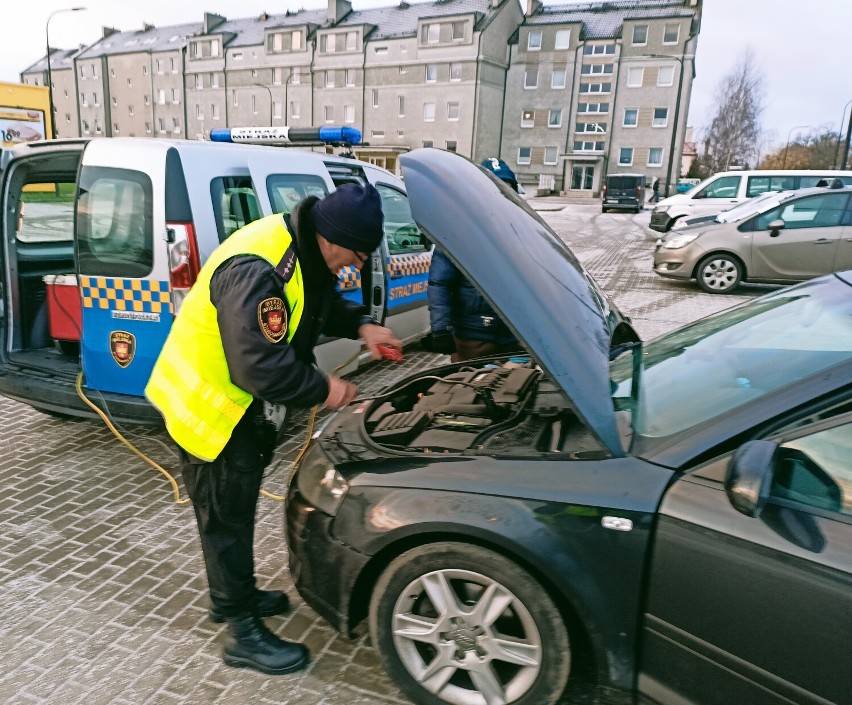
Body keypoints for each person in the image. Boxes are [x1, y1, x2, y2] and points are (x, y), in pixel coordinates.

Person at [145, 183, 401, 676]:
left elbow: (319, 301)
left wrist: (363, 325)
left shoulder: (304, 249)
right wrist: (328, 389)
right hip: (211, 410)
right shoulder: (259, 268)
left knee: (234, 511)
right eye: (355, 254)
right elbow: (258, 367)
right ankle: (239, 630)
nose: (353, 265)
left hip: (239, 409)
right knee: (224, 520)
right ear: (333, 238)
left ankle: (237, 595)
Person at [425, 248, 519, 362]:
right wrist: (441, 329)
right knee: (472, 376)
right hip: (473, 333)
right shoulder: (455, 236)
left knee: (520, 377)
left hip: (516, 332)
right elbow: (440, 285)